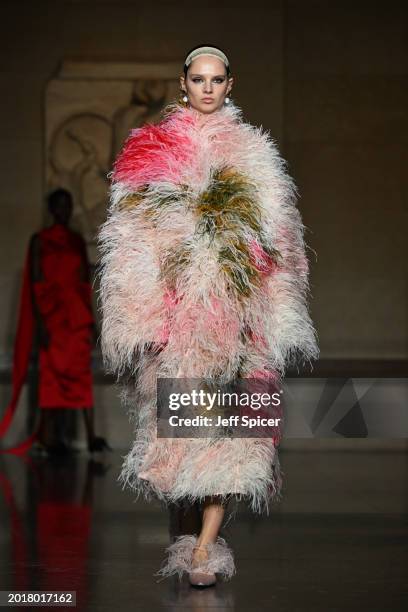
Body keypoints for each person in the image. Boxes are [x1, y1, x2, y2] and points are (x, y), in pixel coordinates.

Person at [98, 44, 319, 587]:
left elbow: (281, 241)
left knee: (235, 443)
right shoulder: (152, 151)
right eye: (198, 79)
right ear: (183, 83)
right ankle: (190, 538)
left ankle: (202, 548)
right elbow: (132, 241)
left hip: (240, 322)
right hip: (179, 322)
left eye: (216, 79)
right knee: (181, 448)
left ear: (230, 84)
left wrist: (278, 309)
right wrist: (142, 315)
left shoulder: (253, 152)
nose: (207, 88)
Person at [0, 189, 109, 455]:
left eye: (68, 205)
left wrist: (92, 320)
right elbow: (35, 286)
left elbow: (84, 285)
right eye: (60, 205)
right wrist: (40, 325)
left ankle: (92, 436)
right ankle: (48, 438)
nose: (65, 210)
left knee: (81, 377)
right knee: (50, 379)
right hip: (52, 319)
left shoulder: (76, 241)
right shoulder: (39, 241)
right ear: (52, 209)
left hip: (75, 318)